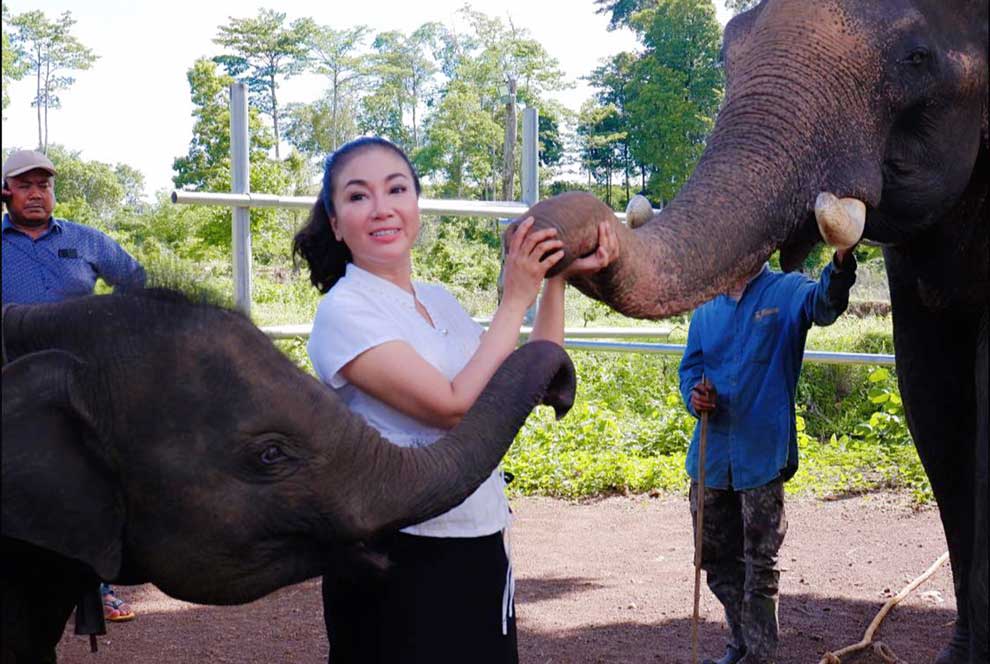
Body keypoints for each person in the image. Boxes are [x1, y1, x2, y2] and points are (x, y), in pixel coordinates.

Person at [293, 136, 616, 663]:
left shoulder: (439, 302)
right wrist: (515, 295)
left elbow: (534, 368)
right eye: (357, 196)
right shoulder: (343, 312)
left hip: (482, 538)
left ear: (416, 204)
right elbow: (453, 406)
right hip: (396, 555)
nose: (382, 208)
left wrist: (554, 280)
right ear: (335, 223)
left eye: (397, 189)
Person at [679, 248, 858, 664]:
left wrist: (842, 259)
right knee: (713, 560)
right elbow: (691, 369)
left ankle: (758, 657)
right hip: (710, 458)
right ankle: (743, 642)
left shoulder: (787, 290)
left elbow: (826, 304)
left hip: (761, 456)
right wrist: (695, 395)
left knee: (760, 567)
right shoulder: (706, 308)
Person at [2, 148, 145, 622]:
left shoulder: (86, 241)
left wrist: (110, 330)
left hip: (78, 384)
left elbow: (135, 280)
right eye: (25, 185)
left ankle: (97, 583)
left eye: (44, 185)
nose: (37, 194)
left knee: (91, 478)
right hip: (10, 382)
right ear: (6, 193)